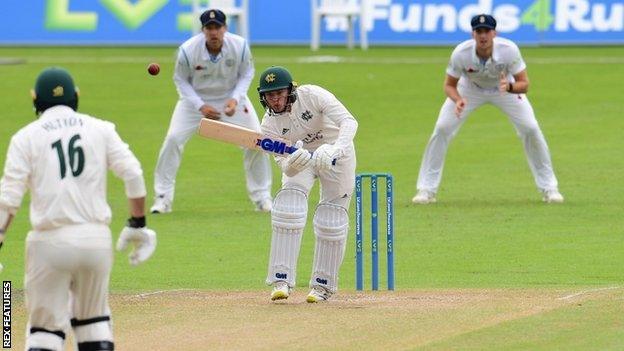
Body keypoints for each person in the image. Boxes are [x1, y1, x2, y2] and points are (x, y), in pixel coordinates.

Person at [0, 67, 157, 350]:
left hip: (49, 242)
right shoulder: (101, 128)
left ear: (35, 99)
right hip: (95, 241)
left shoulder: (26, 137)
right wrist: (138, 224)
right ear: (76, 97)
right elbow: (133, 174)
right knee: (93, 323)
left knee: (44, 332)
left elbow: (8, 200)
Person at [412, 14, 564, 204]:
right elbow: (449, 85)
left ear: (494, 33)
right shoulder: (461, 53)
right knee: (442, 128)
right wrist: (458, 99)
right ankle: (426, 190)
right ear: (473, 34)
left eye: (487, 31)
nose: (483, 36)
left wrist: (509, 87)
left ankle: (550, 188)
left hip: (504, 89)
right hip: (469, 90)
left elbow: (524, 84)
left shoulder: (509, 50)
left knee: (531, 128)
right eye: (479, 31)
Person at [150, 8, 272, 214]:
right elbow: (180, 80)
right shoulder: (188, 50)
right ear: (203, 30)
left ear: (225, 28)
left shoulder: (240, 46)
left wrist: (235, 99)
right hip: (195, 102)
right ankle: (162, 198)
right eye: (209, 28)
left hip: (230, 98)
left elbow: (247, 73)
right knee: (172, 139)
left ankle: (262, 198)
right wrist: (200, 106)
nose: (214, 32)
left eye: (217, 27)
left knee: (256, 141)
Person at [257, 66, 358, 303]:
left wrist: (336, 149)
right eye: (270, 95)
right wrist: (293, 162)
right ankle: (280, 280)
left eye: (279, 93)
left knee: (332, 217)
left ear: (291, 90)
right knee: (288, 204)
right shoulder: (268, 127)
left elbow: (349, 121)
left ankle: (322, 286)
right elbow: (285, 167)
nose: (275, 99)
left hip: (336, 153)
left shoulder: (312, 94)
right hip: (299, 157)